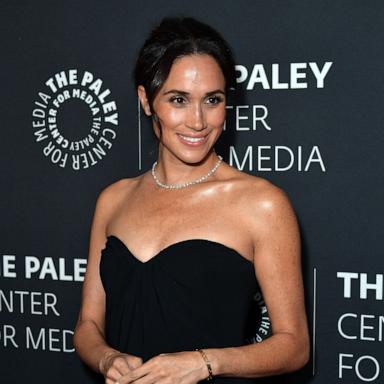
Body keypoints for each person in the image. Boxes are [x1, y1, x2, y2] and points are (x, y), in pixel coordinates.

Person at [73, 16, 310, 384]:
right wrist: (107, 359)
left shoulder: (261, 204)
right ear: (146, 100)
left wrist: (204, 363)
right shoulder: (113, 199)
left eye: (212, 100)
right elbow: (88, 324)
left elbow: (294, 346)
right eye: (178, 100)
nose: (198, 121)